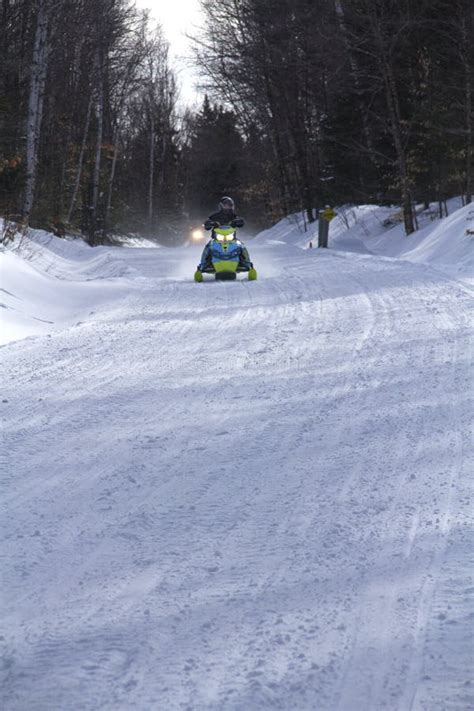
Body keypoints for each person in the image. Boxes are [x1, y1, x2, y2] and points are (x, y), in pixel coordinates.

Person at [197, 196, 252, 272]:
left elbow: (241, 222)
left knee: (241, 246)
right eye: (226, 205)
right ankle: (202, 266)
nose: (228, 207)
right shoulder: (215, 216)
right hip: (216, 239)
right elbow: (207, 224)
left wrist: (239, 222)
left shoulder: (234, 216)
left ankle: (248, 264)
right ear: (221, 206)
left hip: (232, 239)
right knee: (208, 247)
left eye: (230, 205)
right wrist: (209, 223)